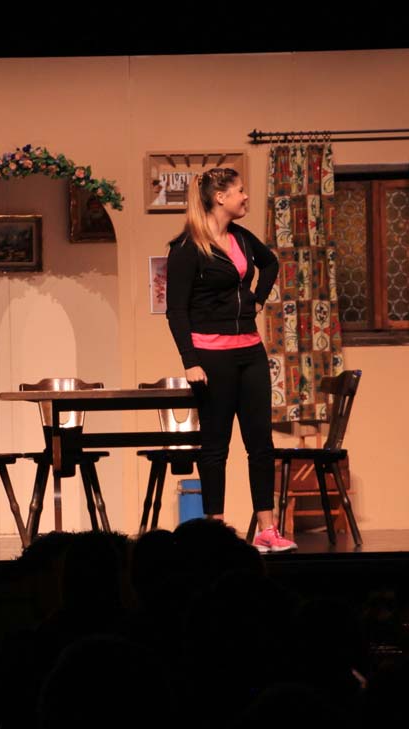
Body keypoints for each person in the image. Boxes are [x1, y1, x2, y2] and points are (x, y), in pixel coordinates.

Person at [165, 167, 291, 552]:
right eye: (240, 191)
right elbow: (176, 310)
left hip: (250, 351)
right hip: (211, 356)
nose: (245, 197)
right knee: (216, 446)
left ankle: (266, 529)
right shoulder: (188, 247)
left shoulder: (241, 237)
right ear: (220, 198)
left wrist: (257, 300)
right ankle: (214, 533)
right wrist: (190, 360)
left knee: (260, 443)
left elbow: (270, 263)